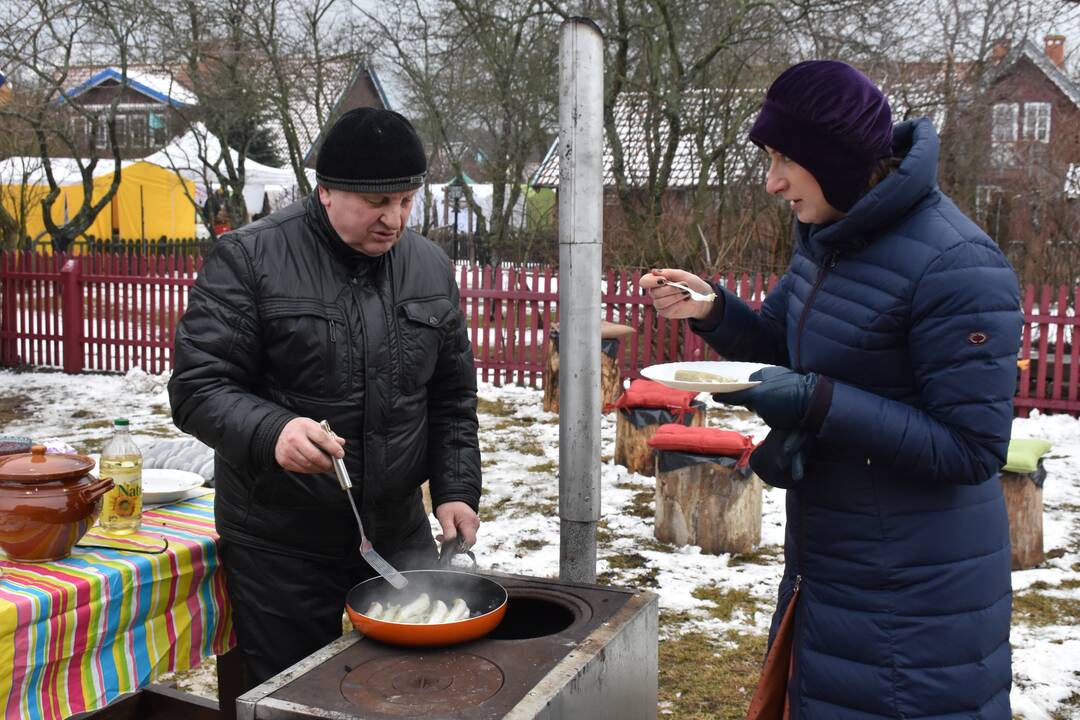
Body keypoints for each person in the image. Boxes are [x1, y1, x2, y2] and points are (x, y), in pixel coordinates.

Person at [642, 61, 1021, 719]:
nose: (771, 181)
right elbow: (780, 349)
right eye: (768, 157)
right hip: (830, 567)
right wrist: (712, 310)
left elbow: (972, 449)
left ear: (837, 159)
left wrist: (819, 402)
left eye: (786, 158)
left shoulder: (960, 266)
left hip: (916, 595)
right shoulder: (828, 242)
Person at [168, 107, 482, 688]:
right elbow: (196, 387)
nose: (394, 218)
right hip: (281, 540)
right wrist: (273, 431)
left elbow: (452, 398)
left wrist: (457, 489)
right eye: (377, 202)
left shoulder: (430, 267)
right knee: (290, 693)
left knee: (407, 689)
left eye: (406, 200)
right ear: (327, 191)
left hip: (397, 529)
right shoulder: (250, 258)